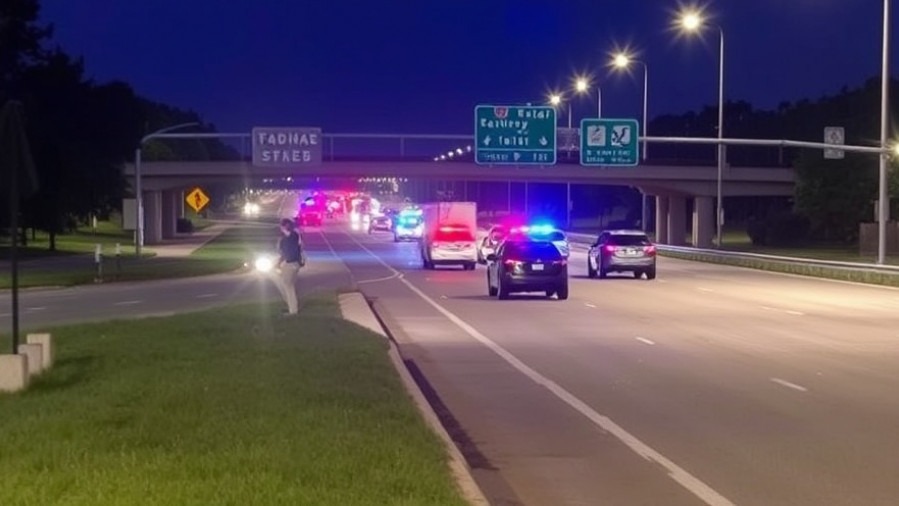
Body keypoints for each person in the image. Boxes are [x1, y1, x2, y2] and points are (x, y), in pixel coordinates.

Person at [275, 218, 303, 315]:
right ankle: (292, 307)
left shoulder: (292, 236)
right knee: (288, 286)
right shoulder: (287, 238)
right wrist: (278, 263)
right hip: (293, 263)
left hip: (291, 263)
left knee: (288, 286)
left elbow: (285, 252)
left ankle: (293, 310)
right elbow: (283, 253)